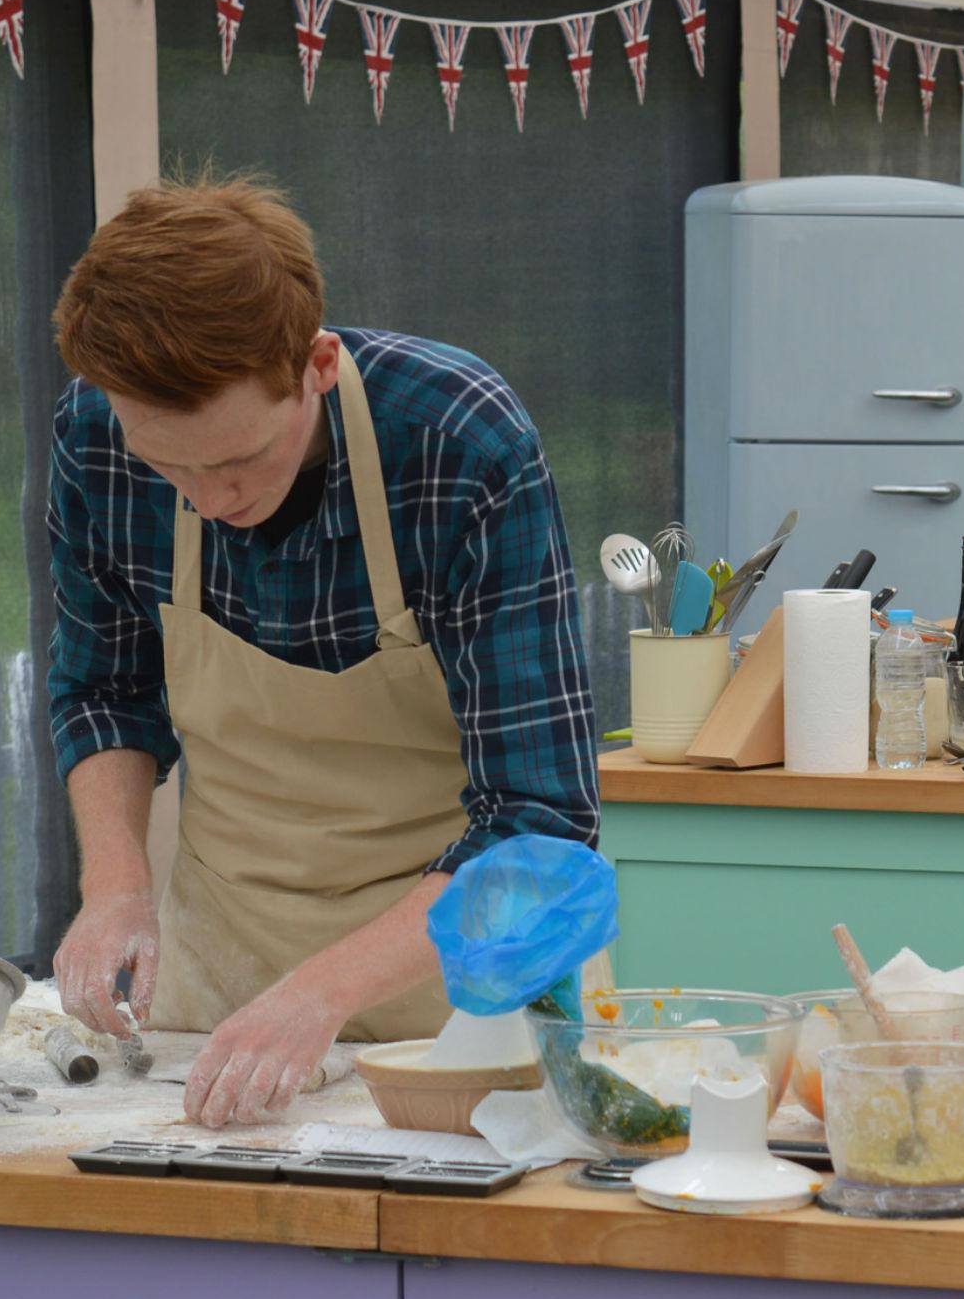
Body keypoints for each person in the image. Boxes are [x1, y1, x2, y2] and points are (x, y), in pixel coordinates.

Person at [46, 174, 600, 1128]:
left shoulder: (459, 444)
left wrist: (321, 993)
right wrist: (116, 887)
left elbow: (538, 822)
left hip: (462, 994)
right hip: (222, 977)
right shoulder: (98, 433)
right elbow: (106, 690)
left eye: (236, 460)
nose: (208, 499)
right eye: (167, 467)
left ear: (316, 362)